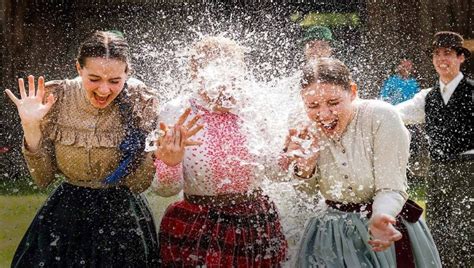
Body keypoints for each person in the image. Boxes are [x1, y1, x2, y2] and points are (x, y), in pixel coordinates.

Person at [4, 31, 199, 267]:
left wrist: (158, 157)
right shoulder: (56, 98)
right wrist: (31, 127)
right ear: (79, 68)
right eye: (94, 79)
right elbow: (43, 178)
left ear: (128, 72)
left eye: (115, 81)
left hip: (123, 219)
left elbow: (137, 185)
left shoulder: (141, 102)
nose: (104, 90)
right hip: (65, 215)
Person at [280, 58, 441, 267]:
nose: (324, 114)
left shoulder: (382, 116)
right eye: (312, 105)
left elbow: (392, 187)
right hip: (329, 235)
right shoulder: (300, 123)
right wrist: (304, 168)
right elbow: (307, 195)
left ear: (353, 91)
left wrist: (381, 217)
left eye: (333, 102)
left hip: (386, 228)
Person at [152, 36, 288, 267]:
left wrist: (290, 156)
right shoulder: (176, 112)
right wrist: (170, 163)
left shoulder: (256, 107)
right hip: (197, 223)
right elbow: (165, 190)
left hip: (255, 222)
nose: (228, 87)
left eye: (234, 78)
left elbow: (277, 174)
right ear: (197, 77)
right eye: (219, 79)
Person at [396, 31, 473, 267]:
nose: (442, 59)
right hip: (437, 170)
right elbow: (394, 114)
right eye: (437, 54)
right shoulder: (426, 97)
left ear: (460, 58)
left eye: (448, 54)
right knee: (437, 230)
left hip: (469, 170)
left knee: (466, 231)